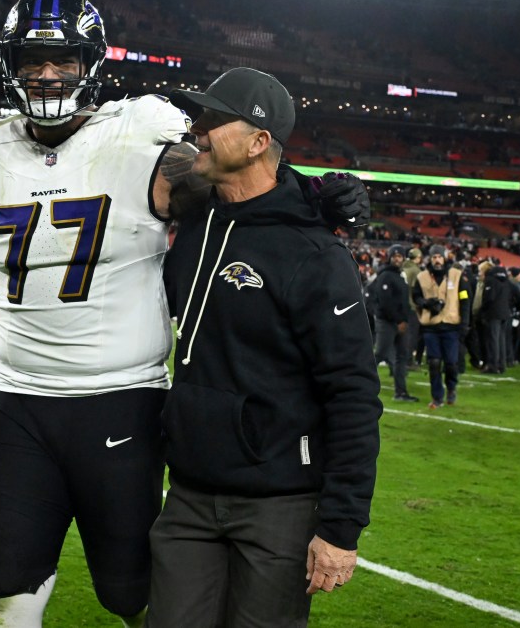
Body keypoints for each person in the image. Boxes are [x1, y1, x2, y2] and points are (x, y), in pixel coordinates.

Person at [0, 0, 369, 628]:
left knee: (134, 593)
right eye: (32, 60)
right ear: (9, 65)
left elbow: (239, 178)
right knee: (3, 588)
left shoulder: (146, 145)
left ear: (90, 62)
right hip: (15, 400)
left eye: (62, 59)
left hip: (120, 400)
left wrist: (310, 197)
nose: (47, 74)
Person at [143, 68, 382, 627]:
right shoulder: (199, 219)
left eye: (214, 120)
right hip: (188, 497)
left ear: (257, 142)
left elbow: (352, 394)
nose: (197, 130)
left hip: (280, 505)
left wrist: (340, 528)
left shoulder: (316, 255)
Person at [412, 245, 471, 408]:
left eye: (439, 256)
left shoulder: (457, 275)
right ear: (429, 259)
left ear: (444, 257)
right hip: (431, 326)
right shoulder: (422, 276)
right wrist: (426, 303)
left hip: (451, 325)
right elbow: (415, 296)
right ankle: (437, 396)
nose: (437, 260)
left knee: (451, 363)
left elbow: (465, 299)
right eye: (434, 257)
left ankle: (451, 388)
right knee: (434, 363)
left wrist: (465, 322)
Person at [371, 244, 418, 402]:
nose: (397, 259)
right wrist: (399, 320)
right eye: (395, 256)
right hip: (387, 322)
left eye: (400, 256)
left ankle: (401, 392)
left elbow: (402, 302)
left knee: (401, 356)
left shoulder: (400, 275)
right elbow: (385, 302)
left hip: (401, 322)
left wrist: (404, 320)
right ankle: (356, 384)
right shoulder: (385, 276)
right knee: (380, 354)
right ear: (390, 257)